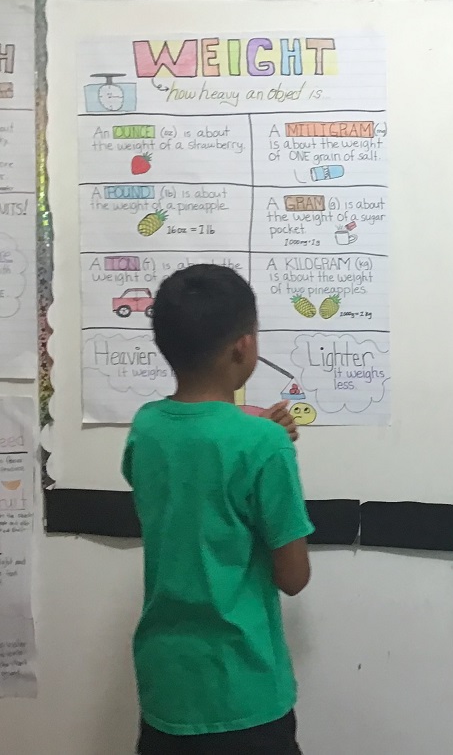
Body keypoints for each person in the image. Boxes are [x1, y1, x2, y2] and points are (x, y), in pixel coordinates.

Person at [122, 264, 314, 755]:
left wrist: (257, 433)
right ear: (244, 346)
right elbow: (293, 576)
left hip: (167, 685)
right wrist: (264, 441)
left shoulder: (146, 428)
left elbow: (194, 475)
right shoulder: (264, 444)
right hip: (244, 689)